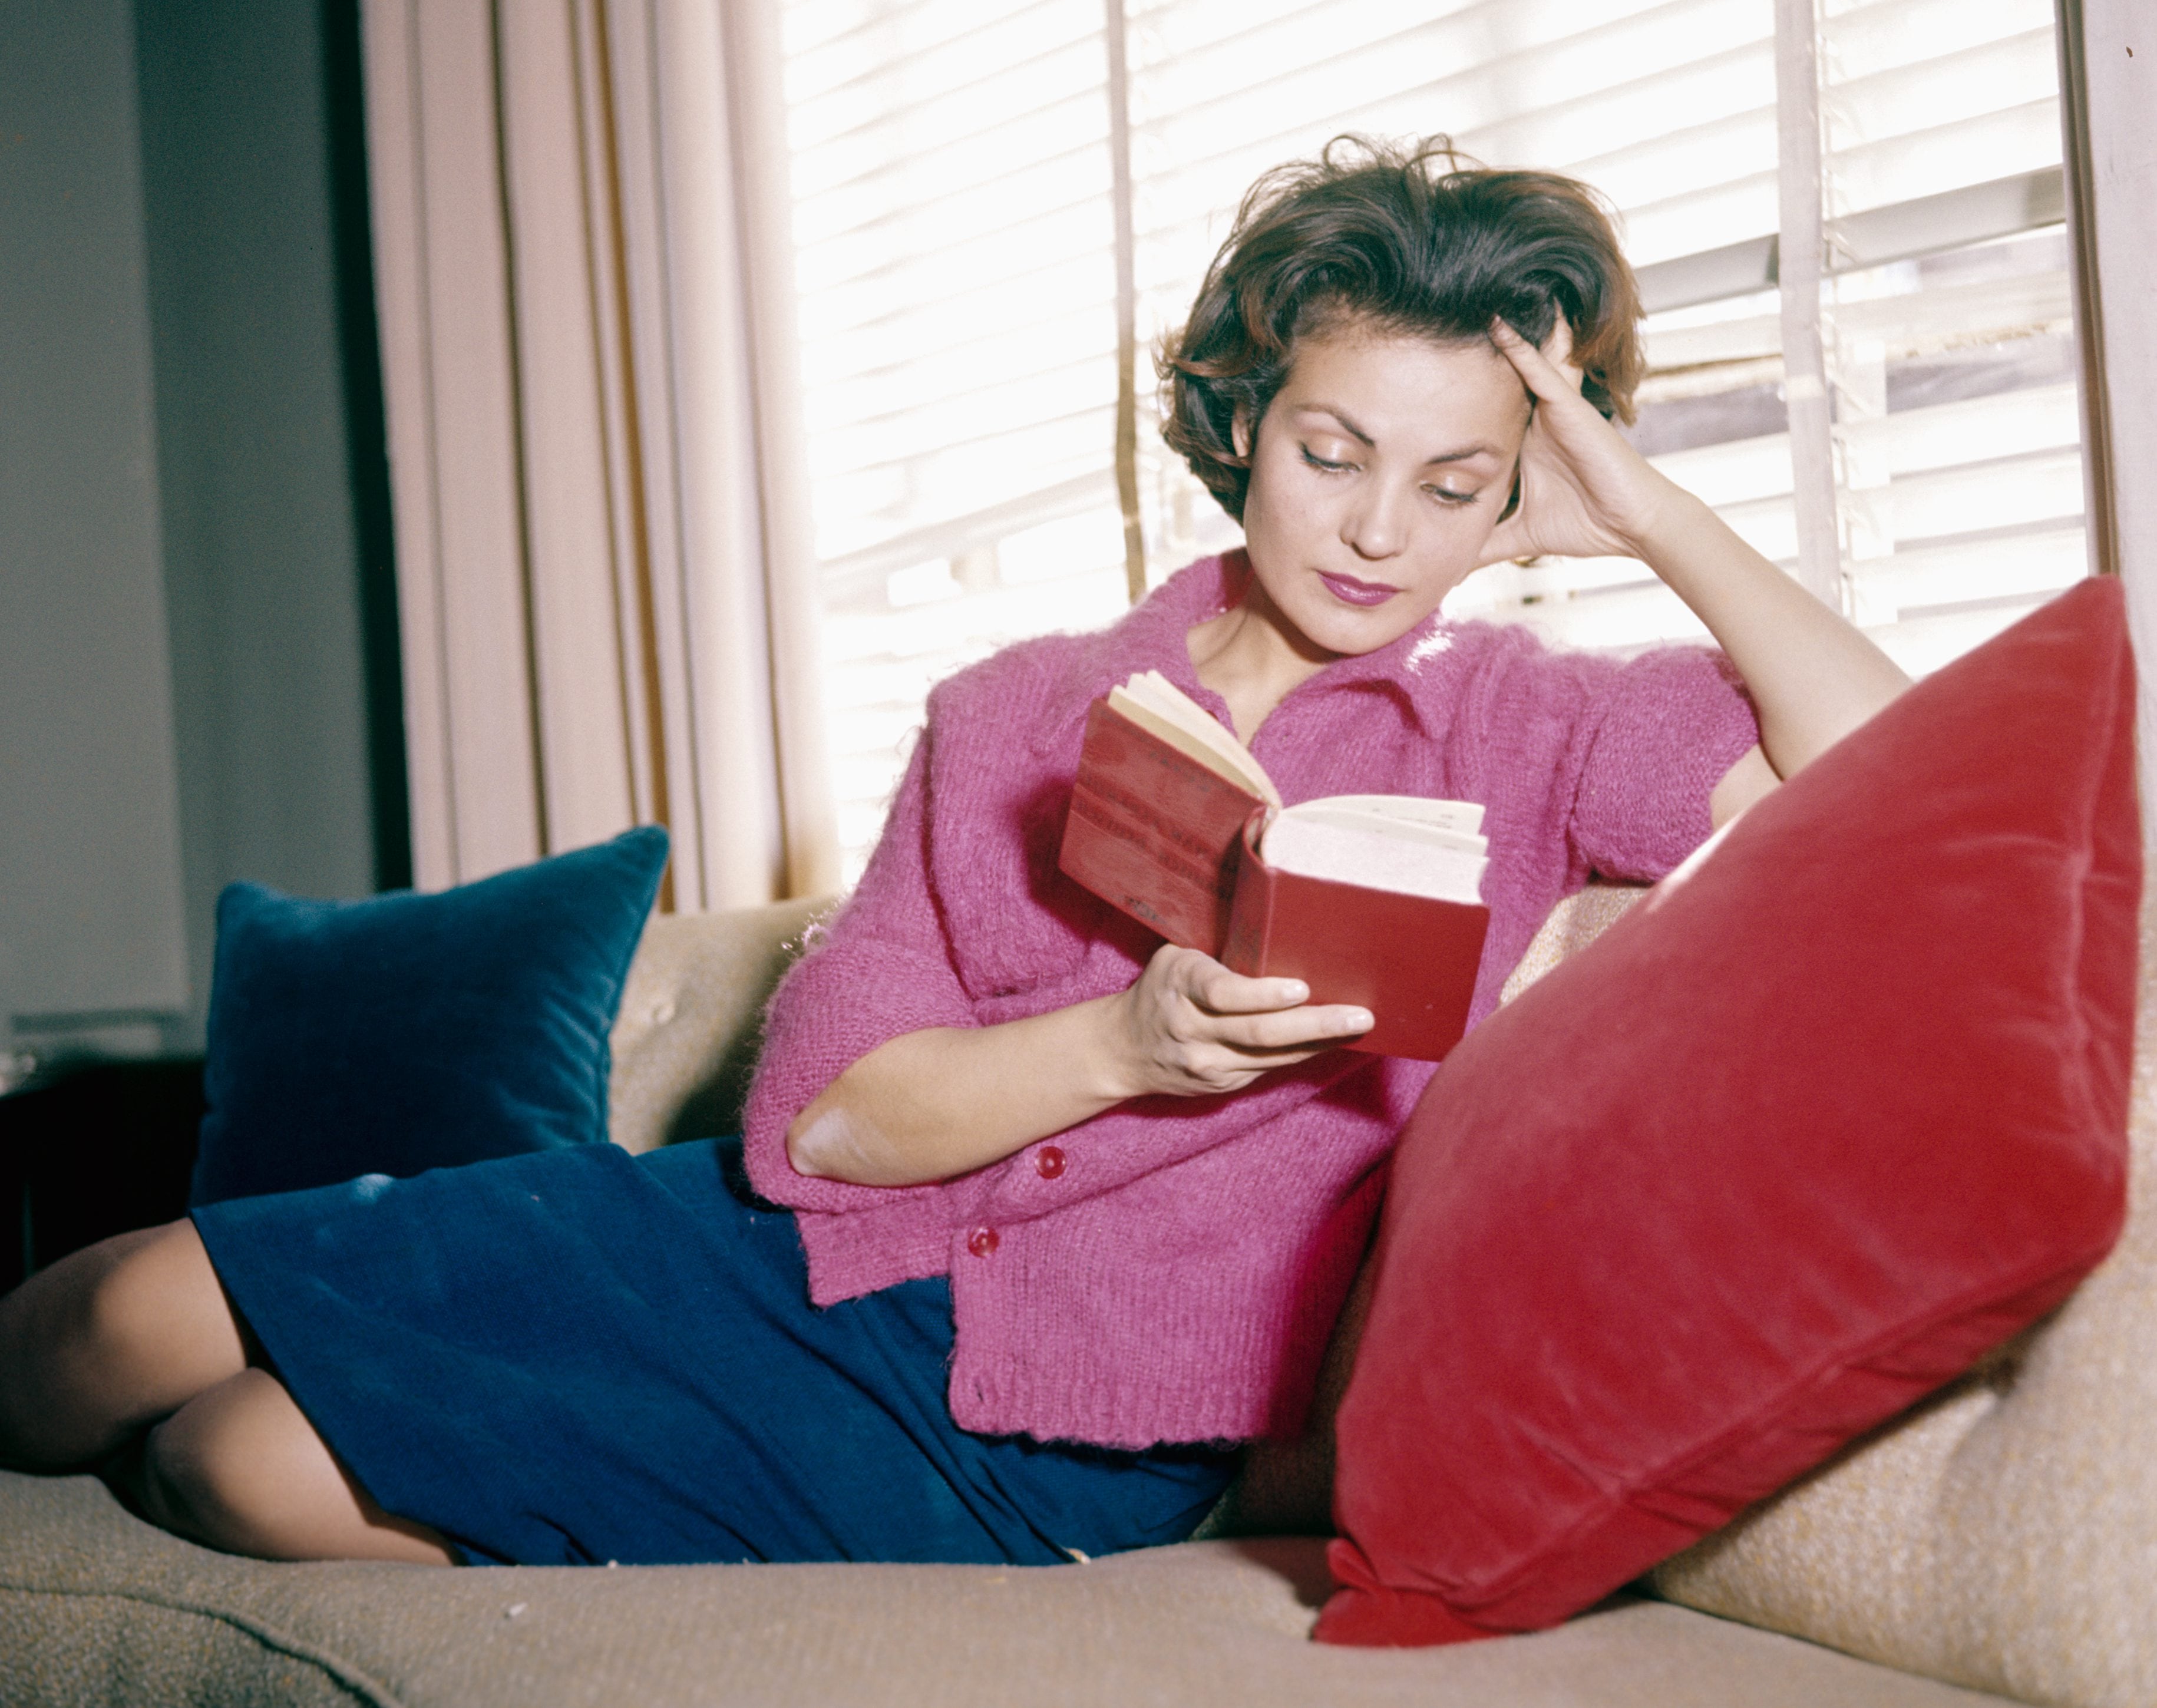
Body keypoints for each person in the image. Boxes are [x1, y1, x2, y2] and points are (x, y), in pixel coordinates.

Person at [0, 137, 1907, 1568]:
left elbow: (1899, 776)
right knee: (103, 1314)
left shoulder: (1547, 726)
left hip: (1067, 1426)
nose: (1379, 530)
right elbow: (815, 1123)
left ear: (1516, 498)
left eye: (1456, 482)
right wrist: (1130, 1048)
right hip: (763, 1251)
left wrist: (1650, 512)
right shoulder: (1018, 708)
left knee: (225, 1466)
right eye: (1336, 450)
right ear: (1243, 420)